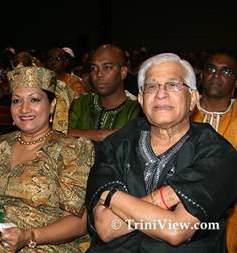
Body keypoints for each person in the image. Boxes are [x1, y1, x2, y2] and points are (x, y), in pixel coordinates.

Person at [85, 53, 237, 252]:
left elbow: (175, 230)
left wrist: (113, 198)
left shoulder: (219, 153)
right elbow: (106, 227)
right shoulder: (117, 145)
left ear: (192, 99)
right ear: (140, 98)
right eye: (151, 86)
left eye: (173, 85)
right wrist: (169, 196)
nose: (161, 94)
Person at [0, 66, 94, 253]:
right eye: (17, 101)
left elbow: (78, 223)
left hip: (47, 245)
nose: (24, 109)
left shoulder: (71, 149)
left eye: (34, 100)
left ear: (52, 105)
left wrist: (29, 236)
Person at [192, 51, 237, 253]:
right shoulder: (181, 110)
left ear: (235, 83)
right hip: (182, 212)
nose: (217, 75)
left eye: (226, 71)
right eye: (211, 69)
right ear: (201, 76)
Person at [68, 44, 141, 141]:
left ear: (123, 72)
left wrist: (78, 133)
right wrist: (105, 135)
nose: (99, 74)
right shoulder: (81, 103)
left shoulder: (136, 108)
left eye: (107, 67)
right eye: (93, 68)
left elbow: (132, 139)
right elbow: (60, 134)